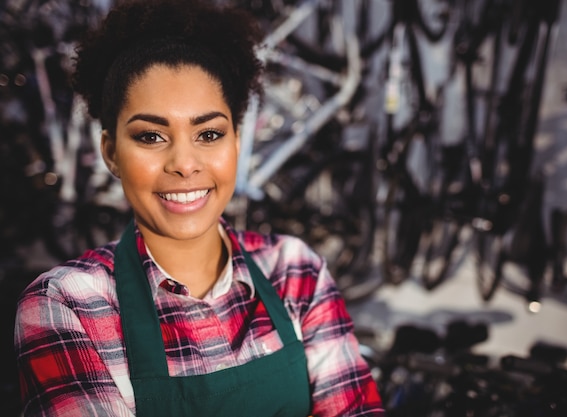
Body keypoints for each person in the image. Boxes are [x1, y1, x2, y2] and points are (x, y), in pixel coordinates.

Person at [13, 0, 385, 415]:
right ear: (111, 152)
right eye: (151, 137)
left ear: (236, 145)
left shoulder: (295, 272)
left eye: (209, 134)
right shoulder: (66, 304)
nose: (185, 164)